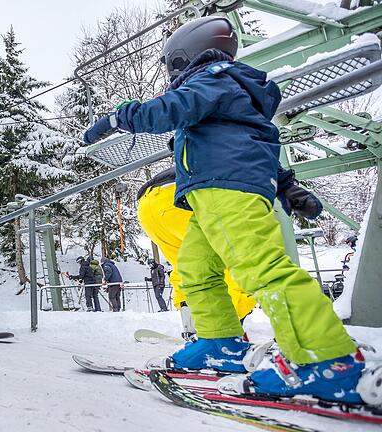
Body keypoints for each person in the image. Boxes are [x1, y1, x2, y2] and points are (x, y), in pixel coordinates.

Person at [82, 16, 370, 404]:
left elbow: (171, 108)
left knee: (262, 268)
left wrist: (120, 117)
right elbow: (257, 146)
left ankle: (326, 360)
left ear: (184, 57)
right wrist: (288, 186)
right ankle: (220, 342)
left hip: (223, 188)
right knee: (196, 270)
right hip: (209, 195)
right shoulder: (230, 92)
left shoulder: (212, 78)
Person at [137, 166, 257, 339]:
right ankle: (226, 332)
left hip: (148, 206)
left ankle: (190, 326)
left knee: (186, 267)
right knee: (236, 265)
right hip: (181, 198)